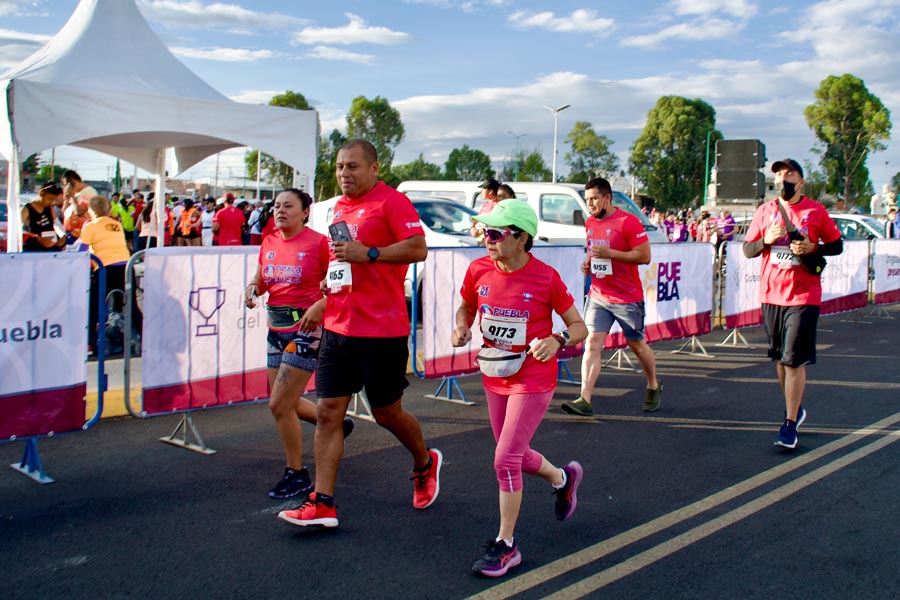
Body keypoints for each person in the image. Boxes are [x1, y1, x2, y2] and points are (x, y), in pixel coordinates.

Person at [278, 139, 441, 529]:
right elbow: (340, 264)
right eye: (339, 167)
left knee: (387, 413)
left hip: (381, 329)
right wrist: (323, 302)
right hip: (338, 326)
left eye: (352, 166)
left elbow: (419, 248)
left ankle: (424, 462)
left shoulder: (391, 202)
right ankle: (322, 503)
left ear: (374, 168)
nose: (344, 174)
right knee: (328, 412)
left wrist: (370, 253)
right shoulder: (337, 208)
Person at [451, 199, 588, 577]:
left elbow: (580, 327)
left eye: (495, 233)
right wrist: (461, 326)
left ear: (522, 238)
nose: (487, 239)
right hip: (495, 375)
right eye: (484, 232)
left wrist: (558, 340)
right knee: (513, 453)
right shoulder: (479, 269)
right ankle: (563, 478)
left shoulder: (545, 278)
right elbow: (465, 307)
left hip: (532, 379)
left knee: (504, 460)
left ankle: (506, 545)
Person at [245, 188, 353, 499]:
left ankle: (297, 473)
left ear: (305, 211)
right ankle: (334, 423)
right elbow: (262, 278)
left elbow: (340, 281)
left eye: (288, 206)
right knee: (286, 404)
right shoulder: (269, 241)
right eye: (276, 206)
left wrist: (322, 305)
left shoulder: (319, 243)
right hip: (275, 329)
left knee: (278, 404)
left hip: (308, 330)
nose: (280, 211)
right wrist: (253, 288)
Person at [743, 159, 842, 449]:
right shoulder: (765, 211)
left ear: (800, 182)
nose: (782, 179)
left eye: (788, 175)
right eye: (778, 175)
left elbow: (836, 245)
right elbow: (748, 249)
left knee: (793, 358)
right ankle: (795, 409)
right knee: (780, 359)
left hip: (804, 295)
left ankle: (788, 425)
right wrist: (766, 240)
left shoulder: (815, 211)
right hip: (771, 294)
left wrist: (814, 247)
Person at [560, 177, 662, 417]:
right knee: (592, 342)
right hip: (598, 294)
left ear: (608, 198)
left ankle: (653, 384)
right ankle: (584, 399)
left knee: (636, 345)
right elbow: (594, 252)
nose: (590, 204)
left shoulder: (628, 222)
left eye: (594, 199)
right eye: (587, 200)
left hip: (627, 298)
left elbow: (644, 256)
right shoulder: (590, 223)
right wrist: (588, 264)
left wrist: (610, 253)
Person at [79, 195, 131, 356]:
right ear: (108, 209)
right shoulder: (116, 224)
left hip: (104, 267)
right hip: (125, 266)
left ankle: (88, 344)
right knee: (130, 305)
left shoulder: (90, 226)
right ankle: (141, 338)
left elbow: (82, 251)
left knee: (94, 305)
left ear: (90, 211)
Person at [22, 182, 67, 252]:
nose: (51, 202)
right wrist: (37, 238)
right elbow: (19, 230)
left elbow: (57, 224)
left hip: (51, 249)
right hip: (33, 250)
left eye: (54, 200)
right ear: (41, 193)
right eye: (49, 198)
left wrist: (63, 236)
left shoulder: (50, 208)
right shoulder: (26, 209)